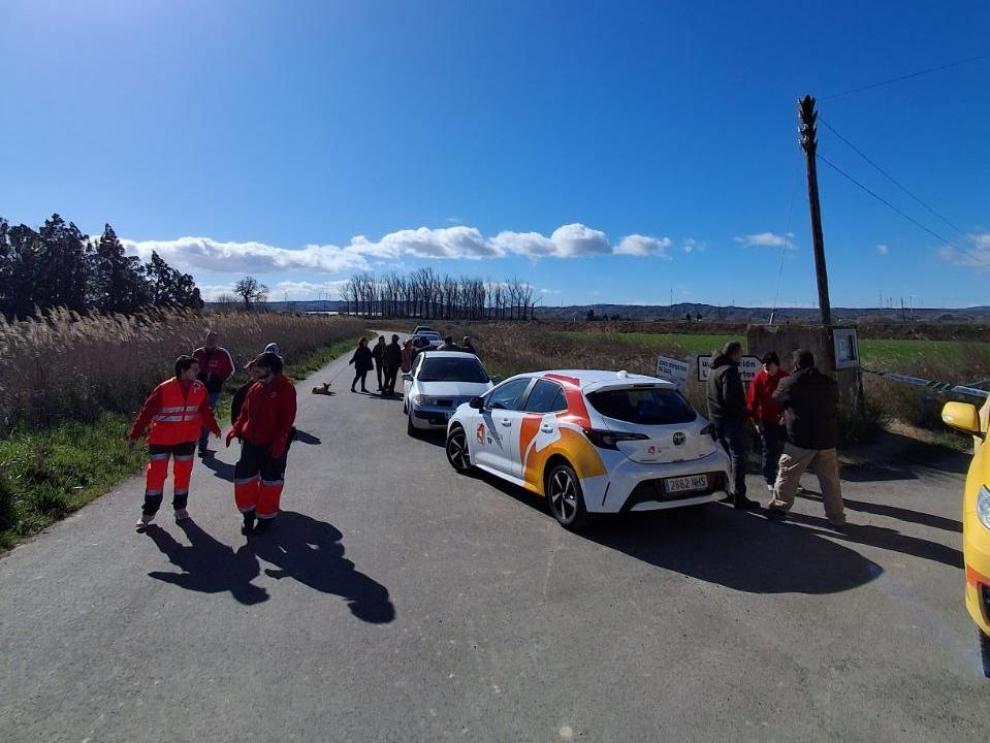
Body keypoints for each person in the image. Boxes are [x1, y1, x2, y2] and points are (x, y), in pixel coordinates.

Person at [129, 355, 221, 530]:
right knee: (156, 477)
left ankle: (180, 509)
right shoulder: (164, 389)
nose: (198, 372)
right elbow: (146, 413)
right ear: (182, 371)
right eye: (194, 369)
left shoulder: (199, 388)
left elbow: (205, 411)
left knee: (183, 476)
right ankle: (147, 515)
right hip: (161, 440)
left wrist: (214, 428)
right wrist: (135, 435)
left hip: (186, 440)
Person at [766, 349, 847, 531]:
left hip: (800, 438)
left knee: (787, 474)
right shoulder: (828, 382)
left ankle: (779, 508)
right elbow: (835, 399)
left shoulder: (790, 382)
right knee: (830, 481)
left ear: (796, 364)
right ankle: (837, 518)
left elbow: (776, 399)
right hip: (826, 437)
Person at [226, 351, 297, 535]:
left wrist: (280, 440)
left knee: (271, 482)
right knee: (243, 480)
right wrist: (236, 429)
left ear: (270, 369)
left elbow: (287, 419)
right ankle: (248, 515)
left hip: (271, 444)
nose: (255, 371)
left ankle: (265, 518)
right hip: (250, 442)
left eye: (259, 368)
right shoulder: (255, 388)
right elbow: (244, 412)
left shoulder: (286, 388)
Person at [706, 341, 759, 510]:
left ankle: (725, 491)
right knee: (738, 458)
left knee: (726, 458)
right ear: (734, 353)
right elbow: (731, 399)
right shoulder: (729, 371)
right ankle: (739, 495)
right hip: (731, 422)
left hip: (717, 420)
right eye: (740, 353)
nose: (741, 357)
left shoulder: (713, 370)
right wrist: (742, 414)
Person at [746, 351, 790, 495]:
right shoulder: (759, 379)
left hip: (785, 420)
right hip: (767, 421)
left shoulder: (785, 377)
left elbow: (792, 397)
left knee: (787, 451)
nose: (766, 367)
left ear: (776, 365)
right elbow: (752, 401)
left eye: (769, 364)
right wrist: (756, 421)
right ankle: (770, 479)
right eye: (764, 365)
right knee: (769, 450)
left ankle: (788, 479)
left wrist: (788, 414)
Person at [192, 330, 234, 454]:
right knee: (196, 416)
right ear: (205, 339)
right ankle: (193, 440)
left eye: (213, 339)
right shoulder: (198, 353)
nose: (211, 341)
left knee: (206, 416)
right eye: (209, 339)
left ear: (217, 341)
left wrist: (219, 380)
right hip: (197, 390)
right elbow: (189, 368)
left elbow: (230, 370)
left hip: (213, 390)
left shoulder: (222, 354)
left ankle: (202, 445)